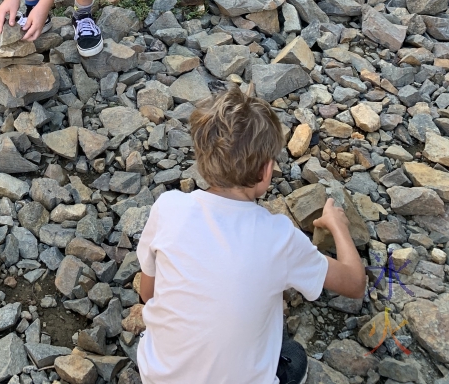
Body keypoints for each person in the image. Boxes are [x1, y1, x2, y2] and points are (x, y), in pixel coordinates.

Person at [136, 86, 367, 384]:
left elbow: (147, 294)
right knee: (291, 354)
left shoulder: (168, 207)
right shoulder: (278, 237)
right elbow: (354, 283)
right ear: (266, 170)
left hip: (158, 376)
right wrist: (338, 227)